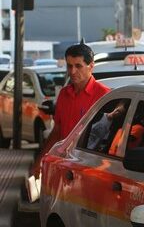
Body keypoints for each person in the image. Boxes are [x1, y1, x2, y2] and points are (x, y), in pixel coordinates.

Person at [32, 41, 111, 177]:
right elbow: (57, 132)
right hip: (63, 165)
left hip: (89, 170)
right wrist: (40, 160)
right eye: (69, 66)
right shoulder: (64, 94)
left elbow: (107, 139)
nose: (72, 71)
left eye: (78, 66)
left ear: (91, 66)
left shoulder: (104, 96)